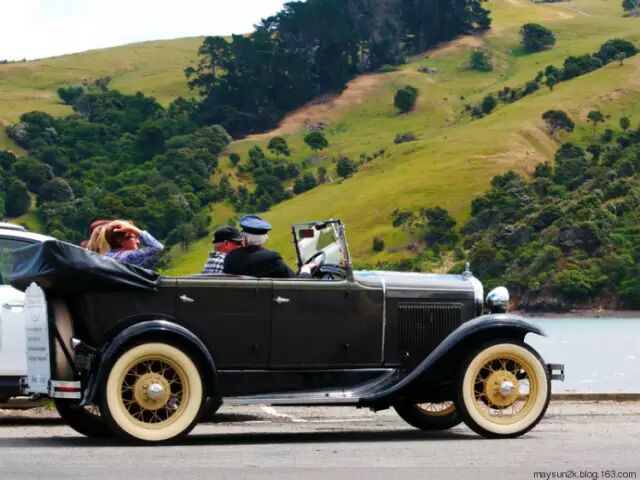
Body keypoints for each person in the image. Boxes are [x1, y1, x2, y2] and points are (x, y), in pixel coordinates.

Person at [223, 214, 314, 278]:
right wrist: (305, 270)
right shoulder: (271, 258)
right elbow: (296, 284)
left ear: (245, 238)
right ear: (266, 239)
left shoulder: (230, 258)